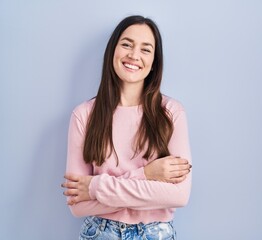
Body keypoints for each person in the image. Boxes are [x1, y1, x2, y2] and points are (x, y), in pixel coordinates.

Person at [61, 15, 192, 240]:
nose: (134, 55)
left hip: (156, 233)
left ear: (154, 62)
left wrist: (95, 187)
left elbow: (178, 195)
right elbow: (78, 205)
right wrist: (148, 174)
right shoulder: (83, 115)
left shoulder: (171, 113)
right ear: (113, 50)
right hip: (100, 233)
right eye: (127, 44)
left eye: (145, 49)